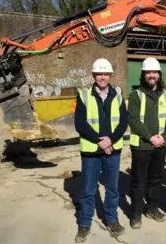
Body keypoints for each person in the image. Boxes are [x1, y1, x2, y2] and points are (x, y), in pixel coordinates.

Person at [74, 58, 128, 242]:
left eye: (105, 74)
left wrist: (111, 139)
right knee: (88, 189)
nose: (102, 77)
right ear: (94, 75)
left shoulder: (118, 96)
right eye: (99, 74)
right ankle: (84, 223)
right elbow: (80, 124)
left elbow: (123, 122)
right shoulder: (84, 95)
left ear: (110, 75)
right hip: (91, 152)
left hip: (113, 150)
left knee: (112, 188)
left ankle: (112, 219)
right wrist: (100, 141)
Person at [127, 57, 166, 229]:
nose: (151, 75)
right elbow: (133, 120)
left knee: (156, 180)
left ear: (159, 75)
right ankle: (136, 214)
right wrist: (150, 137)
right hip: (142, 146)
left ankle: (152, 208)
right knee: (139, 182)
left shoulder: (165, 95)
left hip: (160, 145)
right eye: (148, 72)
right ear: (143, 75)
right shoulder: (136, 95)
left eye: (154, 72)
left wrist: (163, 138)